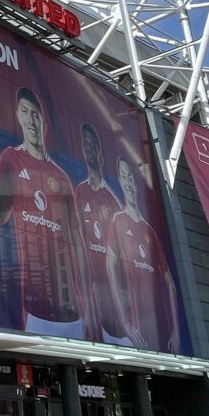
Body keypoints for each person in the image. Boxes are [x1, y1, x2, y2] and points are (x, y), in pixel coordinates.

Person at [0, 86, 93, 338]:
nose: (30, 119)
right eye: (24, 112)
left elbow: (76, 241)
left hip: (73, 310)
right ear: (18, 116)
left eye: (35, 113)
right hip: (36, 311)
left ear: (43, 121)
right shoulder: (11, 159)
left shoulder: (60, 176)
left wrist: (88, 301)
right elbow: (0, 212)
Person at [105, 156, 181, 351]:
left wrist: (176, 332)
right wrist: (124, 322)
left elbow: (169, 283)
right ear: (120, 181)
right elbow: (110, 267)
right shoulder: (118, 221)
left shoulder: (149, 231)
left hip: (159, 329)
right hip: (135, 331)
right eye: (123, 177)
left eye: (130, 177)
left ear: (135, 182)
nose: (128, 182)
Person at [74, 122, 125, 341]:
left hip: (112, 295)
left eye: (91, 144)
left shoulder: (112, 201)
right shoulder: (79, 191)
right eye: (84, 144)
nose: (87, 148)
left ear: (98, 152)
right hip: (90, 291)